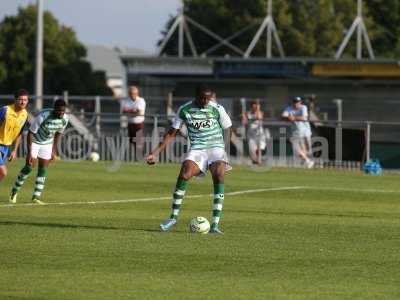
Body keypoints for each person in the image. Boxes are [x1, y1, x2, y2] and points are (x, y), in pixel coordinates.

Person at [145, 86, 232, 234]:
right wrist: (155, 153)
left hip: (216, 148)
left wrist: (223, 149)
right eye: (203, 98)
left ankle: (215, 224)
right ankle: (172, 218)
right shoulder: (184, 109)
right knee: (185, 173)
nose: (205, 101)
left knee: (218, 174)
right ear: (196, 96)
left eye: (208, 98)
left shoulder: (217, 108)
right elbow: (172, 133)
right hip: (198, 148)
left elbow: (228, 128)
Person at [9, 99, 69, 204]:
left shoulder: (65, 119)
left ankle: (35, 197)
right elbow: (30, 133)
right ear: (54, 109)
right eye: (59, 111)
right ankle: (14, 192)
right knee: (29, 167)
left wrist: (53, 150)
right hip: (35, 141)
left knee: (43, 169)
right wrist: (29, 152)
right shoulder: (43, 116)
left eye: (63, 111)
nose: (61, 113)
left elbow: (58, 133)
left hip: (47, 144)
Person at [0, 89, 29, 183]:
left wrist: (14, 150)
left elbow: (19, 134)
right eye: (20, 99)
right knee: (3, 172)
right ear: (15, 100)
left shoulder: (25, 115)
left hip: (6, 147)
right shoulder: (5, 110)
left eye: (25, 100)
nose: (23, 102)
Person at [282, 96, 314, 168]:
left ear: (300, 102)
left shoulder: (303, 107)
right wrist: (288, 118)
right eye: (295, 102)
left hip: (306, 131)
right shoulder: (289, 108)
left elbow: (304, 117)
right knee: (296, 148)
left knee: (308, 149)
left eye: (298, 102)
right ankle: (307, 161)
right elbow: (283, 116)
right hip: (296, 132)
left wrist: (293, 118)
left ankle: (306, 160)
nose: (296, 104)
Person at [121, 86, 146, 157]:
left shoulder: (141, 100)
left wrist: (130, 111)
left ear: (137, 93)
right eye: (131, 93)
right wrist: (133, 111)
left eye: (135, 93)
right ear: (129, 94)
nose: (133, 95)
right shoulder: (126, 100)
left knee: (138, 141)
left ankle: (141, 156)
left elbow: (139, 113)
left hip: (139, 124)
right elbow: (123, 111)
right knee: (131, 141)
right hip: (130, 123)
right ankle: (133, 157)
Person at [241, 100, 267, 164]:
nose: (255, 106)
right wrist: (243, 116)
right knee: (252, 153)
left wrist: (257, 109)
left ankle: (259, 161)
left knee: (260, 148)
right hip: (251, 135)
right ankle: (256, 162)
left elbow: (259, 117)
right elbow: (244, 122)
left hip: (260, 134)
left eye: (257, 104)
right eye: (254, 104)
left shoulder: (260, 112)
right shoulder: (248, 113)